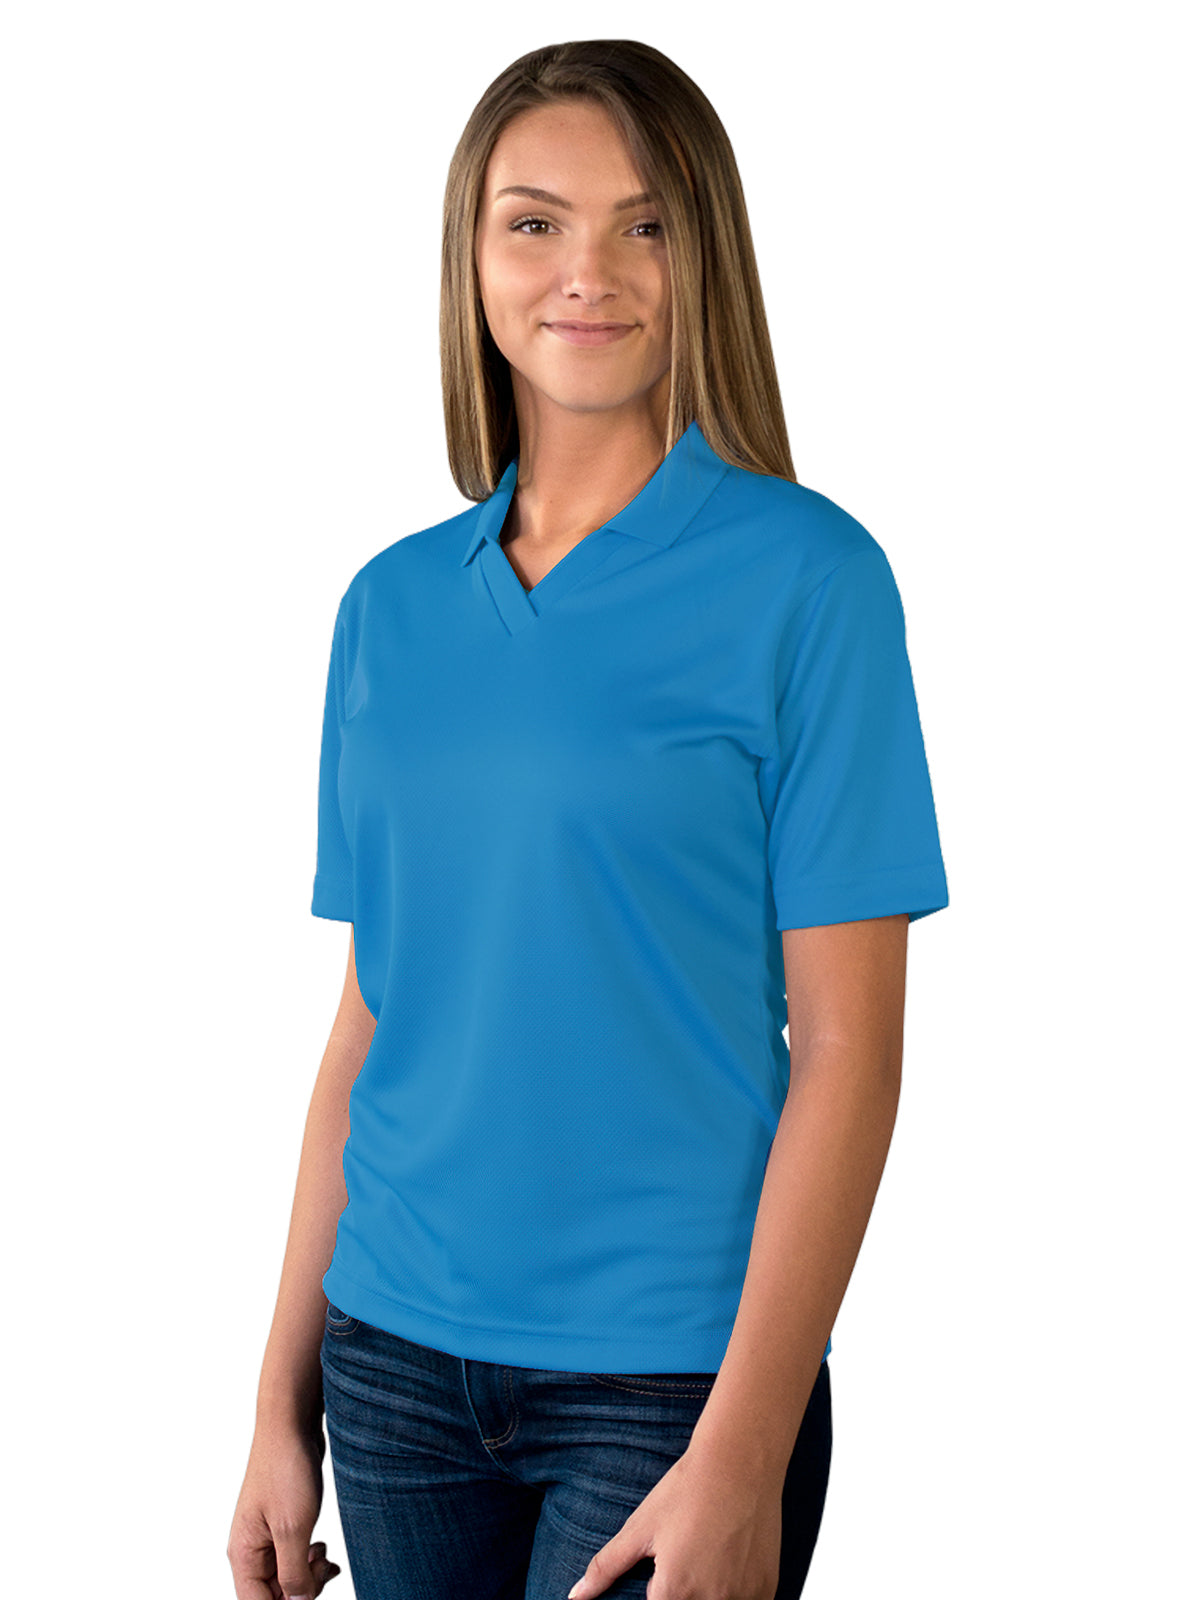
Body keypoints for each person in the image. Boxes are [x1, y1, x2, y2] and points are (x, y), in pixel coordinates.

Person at [227, 37, 949, 1600]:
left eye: (645, 224)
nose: (587, 272)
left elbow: (850, 1051)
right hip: (392, 1363)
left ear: (705, 256)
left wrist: (743, 1456)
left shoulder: (813, 583)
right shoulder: (390, 607)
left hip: (674, 1377)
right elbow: (369, 1027)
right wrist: (279, 1404)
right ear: (472, 258)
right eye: (535, 222)